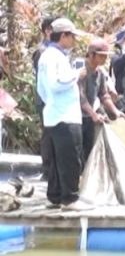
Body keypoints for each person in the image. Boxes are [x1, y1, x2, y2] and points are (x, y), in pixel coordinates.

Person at [36, 18, 92, 211]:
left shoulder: (47, 56)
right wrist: (77, 75)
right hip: (64, 116)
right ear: (64, 36)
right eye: (72, 36)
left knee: (55, 159)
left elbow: (42, 90)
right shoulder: (54, 57)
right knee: (69, 158)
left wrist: (50, 103)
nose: (74, 41)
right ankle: (69, 198)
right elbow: (55, 83)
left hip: (53, 114)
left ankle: (55, 197)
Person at [78, 39, 125, 163]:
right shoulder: (81, 70)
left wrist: (115, 111)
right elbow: (80, 96)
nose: (105, 59)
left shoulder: (99, 72)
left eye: (106, 56)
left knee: (88, 151)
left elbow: (103, 95)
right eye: (101, 56)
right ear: (92, 54)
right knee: (77, 153)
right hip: (76, 118)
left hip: (88, 118)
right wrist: (94, 114)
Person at [32, 16, 56, 179]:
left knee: (53, 131)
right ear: (47, 31)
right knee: (48, 132)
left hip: (54, 98)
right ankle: (47, 168)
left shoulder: (56, 50)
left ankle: (53, 167)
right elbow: (43, 78)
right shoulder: (41, 51)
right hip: (45, 98)